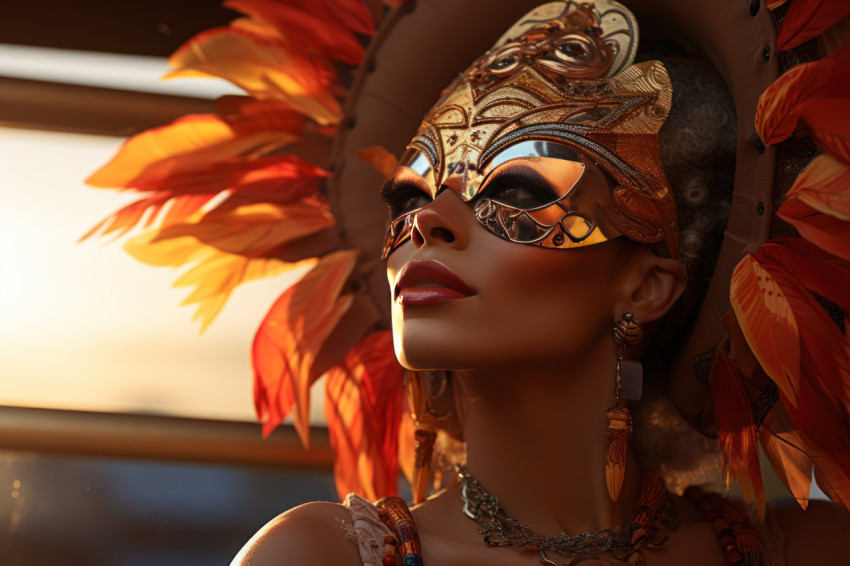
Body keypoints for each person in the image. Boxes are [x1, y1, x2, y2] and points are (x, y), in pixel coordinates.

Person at [84, 0, 850, 564]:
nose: (427, 224)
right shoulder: (315, 557)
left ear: (648, 288)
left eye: (515, 191)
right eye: (410, 197)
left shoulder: (803, 550)